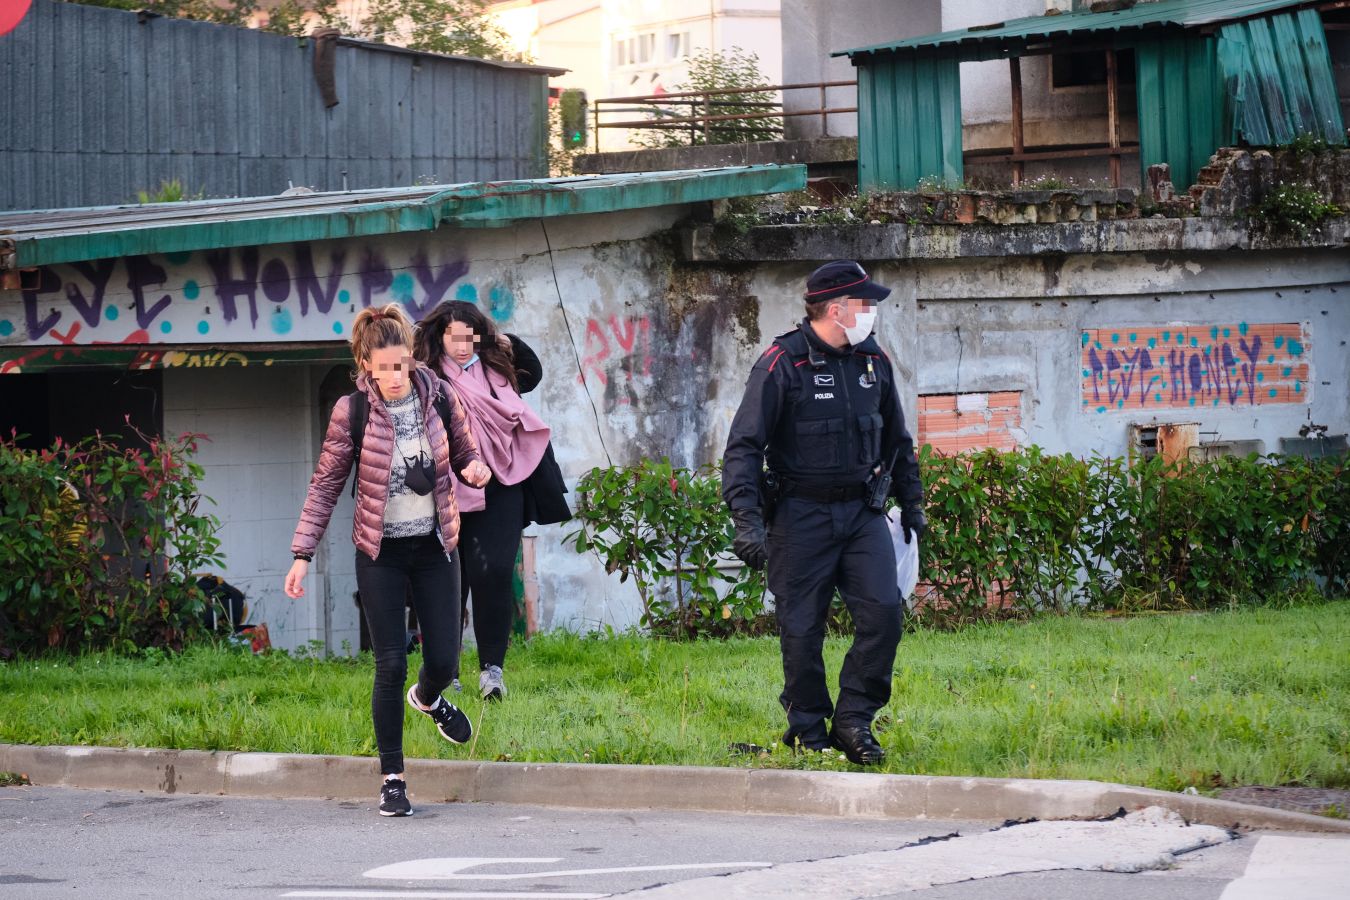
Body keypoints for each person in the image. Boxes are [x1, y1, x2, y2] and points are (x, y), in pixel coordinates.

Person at [284, 303, 491, 817]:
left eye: (402, 366)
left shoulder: (439, 396)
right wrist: (302, 553)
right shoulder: (351, 412)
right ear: (367, 366)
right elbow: (326, 484)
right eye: (385, 369)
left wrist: (475, 470)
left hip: (436, 545)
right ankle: (393, 780)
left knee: (443, 659)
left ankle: (430, 698)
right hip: (380, 553)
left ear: (412, 360)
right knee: (390, 662)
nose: (396, 377)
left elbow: (466, 451)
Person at [721, 260, 926, 766]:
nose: (872, 313)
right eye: (865, 304)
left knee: (883, 615)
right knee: (802, 629)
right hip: (799, 516)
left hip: (862, 513)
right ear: (836, 310)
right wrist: (747, 522)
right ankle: (809, 730)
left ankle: (854, 722)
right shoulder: (780, 364)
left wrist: (913, 501)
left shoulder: (872, 359)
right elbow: (743, 449)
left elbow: (898, 439)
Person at [414, 301, 569, 702]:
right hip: (446, 487)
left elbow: (533, 371)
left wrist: (501, 340)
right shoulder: (425, 377)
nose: (462, 347)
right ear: (440, 337)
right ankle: (444, 671)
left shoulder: (497, 368)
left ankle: (492, 670)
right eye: (454, 338)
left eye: (470, 337)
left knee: (496, 572)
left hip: (501, 482)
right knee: (450, 579)